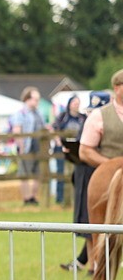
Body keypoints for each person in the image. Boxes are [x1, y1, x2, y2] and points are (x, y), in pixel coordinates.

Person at [76, 71, 123, 268]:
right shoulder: (99, 116)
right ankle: (98, 265)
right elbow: (85, 151)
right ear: (116, 87)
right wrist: (108, 165)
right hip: (110, 175)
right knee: (98, 226)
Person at [55, 95, 90, 270]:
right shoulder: (67, 118)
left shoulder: (87, 120)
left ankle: (86, 263)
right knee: (95, 223)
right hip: (84, 170)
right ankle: (84, 262)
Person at [8, 87, 49, 206]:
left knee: (38, 172)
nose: (37, 102)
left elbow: (44, 127)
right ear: (27, 99)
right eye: (35, 99)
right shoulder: (20, 114)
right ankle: (27, 198)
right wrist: (21, 146)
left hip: (38, 146)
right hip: (26, 147)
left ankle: (34, 197)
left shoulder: (39, 113)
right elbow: (17, 130)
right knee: (24, 174)